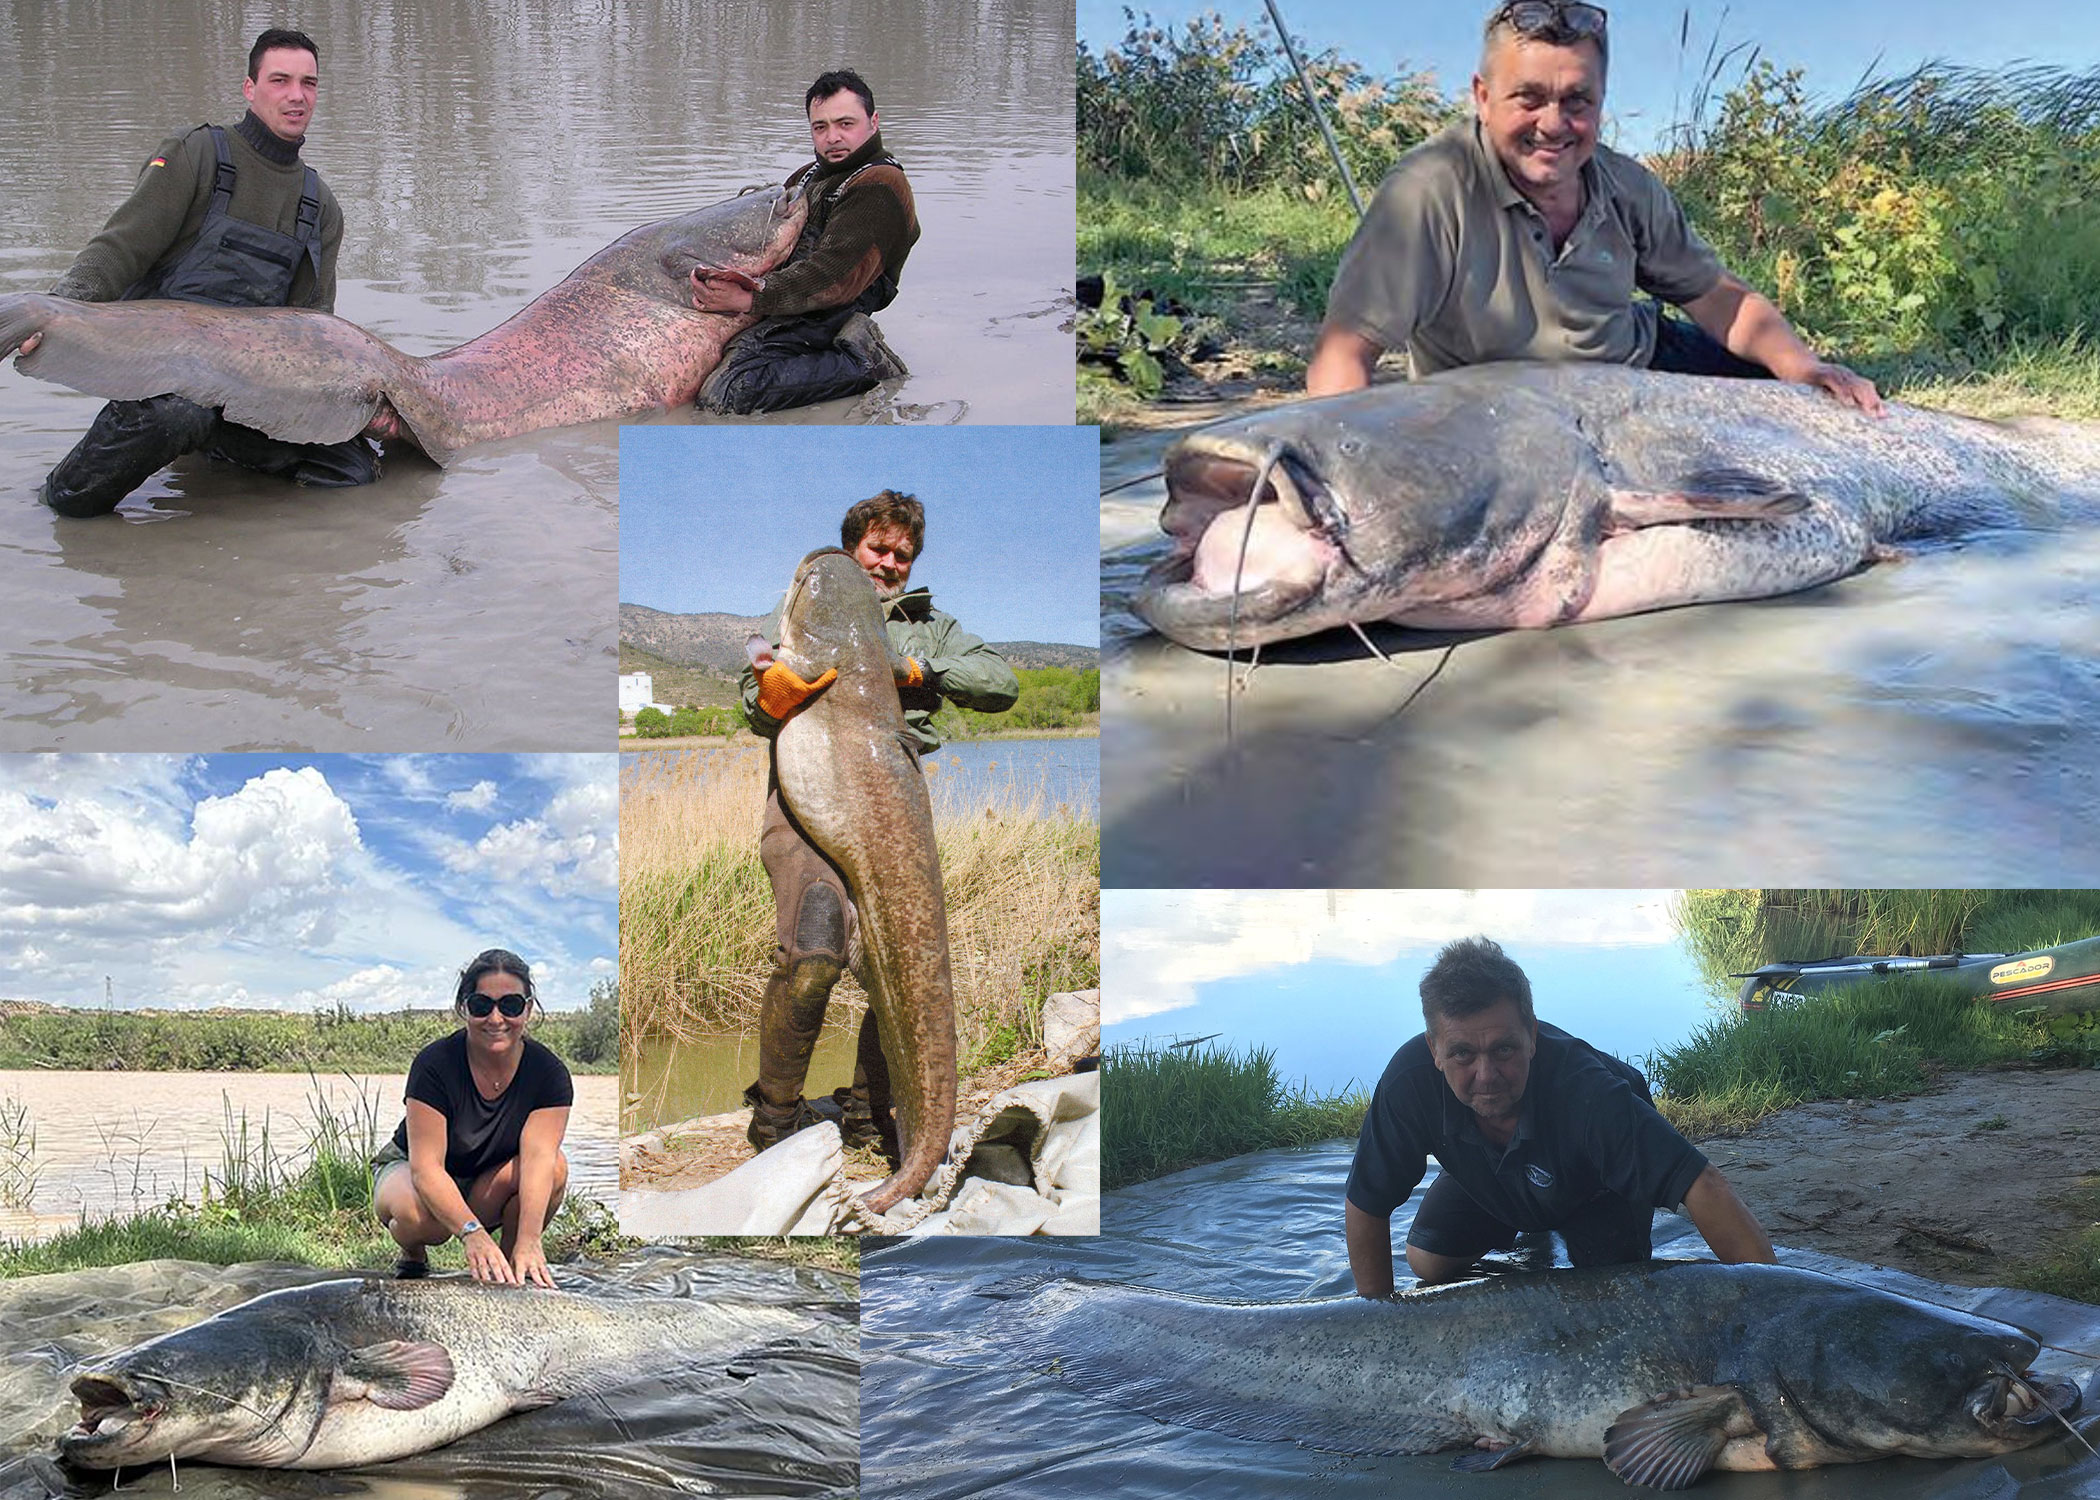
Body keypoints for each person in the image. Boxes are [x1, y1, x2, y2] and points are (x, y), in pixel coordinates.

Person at [1305, 0, 1883, 416]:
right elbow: (1343, 356)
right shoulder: (1427, 190)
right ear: (1482, 97)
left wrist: (1802, 366)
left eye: (1577, 101)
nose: (1553, 124)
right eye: (1528, 97)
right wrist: (1346, 470)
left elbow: (1719, 298)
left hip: (1638, 374)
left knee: (1811, 407)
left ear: (1601, 102)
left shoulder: (1629, 186)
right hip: (1491, 414)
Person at [736, 490, 1018, 1150]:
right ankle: (775, 1118)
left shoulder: (931, 624)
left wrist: (918, 669)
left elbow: (1000, 684)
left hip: (893, 801)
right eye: (878, 548)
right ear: (853, 546)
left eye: (902, 554)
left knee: (904, 962)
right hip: (805, 801)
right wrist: (772, 694)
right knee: (814, 951)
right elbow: (751, 704)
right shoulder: (804, 604)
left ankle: (870, 1112)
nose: (889, 563)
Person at [34, 28, 380, 518]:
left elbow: (314, 327)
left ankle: (222, 474)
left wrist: (350, 406)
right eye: (280, 80)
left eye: (309, 83)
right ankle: (64, 491)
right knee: (177, 417)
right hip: (164, 377)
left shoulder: (320, 206)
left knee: (354, 470)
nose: (296, 96)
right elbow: (119, 249)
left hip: (251, 390)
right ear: (250, 88)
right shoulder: (195, 154)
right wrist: (55, 310)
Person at [1345, 935, 1774, 1296]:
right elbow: (1366, 1202)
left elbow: (1702, 1185)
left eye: (1503, 1049)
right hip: (1493, 1171)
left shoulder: (1590, 1094)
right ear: (1434, 1050)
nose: (1486, 1075)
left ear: (1532, 1035)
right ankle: (1517, 1215)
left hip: (1596, 1187)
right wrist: (1376, 1321)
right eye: (1463, 1054)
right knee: (1426, 1262)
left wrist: (1771, 1301)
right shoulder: (1408, 1082)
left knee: (1611, 1294)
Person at [692, 69, 918, 415]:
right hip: (793, 298)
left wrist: (751, 297)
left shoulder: (879, 184)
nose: (832, 137)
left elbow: (835, 276)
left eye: (845, 124)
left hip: (835, 306)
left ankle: (862, 361)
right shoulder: (809, 175)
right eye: (820, 127)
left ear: (873, 122)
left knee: (728, 393)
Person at [373, 949, 573, 1287]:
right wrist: (472, 1233)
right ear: (464, 1007)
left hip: (486, 1181)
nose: (496, 1019)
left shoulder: (549, 1073)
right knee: (417, 1216)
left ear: (527, 1009)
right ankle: (413, 1252)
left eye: (510, 1005)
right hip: (412, 1170)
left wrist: (530, 1239)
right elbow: (426, 1169)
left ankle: (510, 1263)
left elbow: (539, 1158)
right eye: (482, 1005)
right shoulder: (434, 1064)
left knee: (555, 1167)